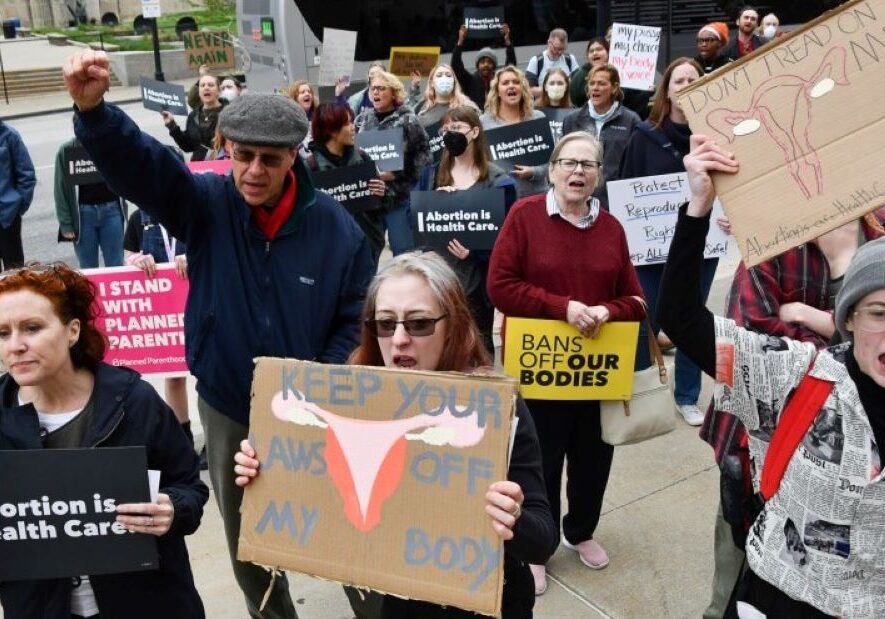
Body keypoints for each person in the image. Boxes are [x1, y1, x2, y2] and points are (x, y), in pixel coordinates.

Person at [65, 49, 374, 619]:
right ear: (228, 150)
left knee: (343, 523)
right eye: (242, 155)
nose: (253, 171)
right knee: (247, 535)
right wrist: (94, 112)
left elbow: (356, 311)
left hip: (315, 407)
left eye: (269, 159)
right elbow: (148, 167)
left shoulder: (338, 229)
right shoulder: (206, 204)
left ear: (294, 157)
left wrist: (318, 379)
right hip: (230, 404)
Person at [234, 251, 558, 618]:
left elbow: (543, 539)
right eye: (385, 324)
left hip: (491, 604)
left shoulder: (498, 409)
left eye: (419, 323)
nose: (399, 339)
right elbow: (320, 496)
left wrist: (514, 518)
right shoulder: (351, 400)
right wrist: (267, 473)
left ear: (453, 323)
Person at [659, 134, 885, 618]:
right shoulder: (802, 373)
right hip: (779, 587)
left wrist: (816, 306)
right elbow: (684, 320)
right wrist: (698, 206)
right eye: (879, 313)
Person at [700, 214, 883, 619]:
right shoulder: (773, 237)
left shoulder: (878, 228)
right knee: (740, 560)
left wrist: (806, 309)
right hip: (768, 447)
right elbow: (752, 343)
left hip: (859, 463)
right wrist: (837, 328)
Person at [487, 132, 646, 596]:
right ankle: (540, 546)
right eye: (569, 163)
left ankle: (581, 530)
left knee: (595, 456)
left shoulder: (612, 228)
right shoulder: (525, 216)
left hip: (597, 371)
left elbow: (634, 298)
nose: (578, 172)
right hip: (542, 368)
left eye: (589, 165)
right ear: (552, 168)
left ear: (600, 175)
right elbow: (500, 287)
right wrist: (564, 307)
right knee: (542, 461)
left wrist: (606, 312)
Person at [0, 263, 208, 617]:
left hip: (146, 604)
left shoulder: (133, 401)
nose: (16, 346)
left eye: (32, 328)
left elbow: (190, 486)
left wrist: (172, 509)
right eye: (3, 333)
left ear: (73, 330)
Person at [615, 57, 727, 426]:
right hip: (650, 250)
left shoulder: (717, 139)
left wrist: (731, 216)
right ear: (667, 90)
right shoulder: (642, 136)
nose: (685, 85)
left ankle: (687, 395)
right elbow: (626, 193)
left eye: (693, 78)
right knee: (646, 315)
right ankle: (642, 387)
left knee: (691, 315)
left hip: (702, 244)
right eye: (678, 80)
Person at [432, 105, 516, 353]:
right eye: (445, 130)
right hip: (442, 275)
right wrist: (436, 200)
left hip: (477, 279)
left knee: (479, 344)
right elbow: (415, 219)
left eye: (456, 128)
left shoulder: (499, 180)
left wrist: (475, 252)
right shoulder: (433, 175)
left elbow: (507, 234)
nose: (450, 134)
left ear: (475, 132)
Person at [122, 206, 196, 457]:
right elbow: (128, 254)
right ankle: (183, 439)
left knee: (208, 376)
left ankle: (214, 441)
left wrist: (194, 256)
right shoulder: (138, 220)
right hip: (165, 310)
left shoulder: (194, 213)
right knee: (175, 376)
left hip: (199, 301)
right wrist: (136, 261)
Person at [355, 69, 431, 256]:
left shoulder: (408, 119)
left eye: (381, 88)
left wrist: (398, 173)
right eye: (373, 89)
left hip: (399, 198)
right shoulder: (362, 120)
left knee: (403, 253)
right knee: (367, 254)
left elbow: (424, 157)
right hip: (370, 200)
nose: (375, 93)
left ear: (394, 92)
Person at [305, 102, 387, 267]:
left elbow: (380, 206)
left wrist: (382, 193)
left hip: (366, 245)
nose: (353, 128)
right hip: (329, 251)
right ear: (331, 129)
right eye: (347, 123)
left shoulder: (363, 159)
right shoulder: (310, 167)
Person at [562, 64, 640, 203]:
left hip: (617, 199)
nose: (595, 88)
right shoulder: (571, 120)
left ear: (614, 87)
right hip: (579, 197)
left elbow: (636, 165)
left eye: (601, 83)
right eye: (592, 83)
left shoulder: (631, 120)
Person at [54, 137, 126, 268]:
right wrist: (66, 224)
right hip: (82, 217)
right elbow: (60, 188)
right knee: (88, 268)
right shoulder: (66, 150)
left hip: (112, 211)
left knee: (116, 265)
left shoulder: (112, 144)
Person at [480, 66, 547, 198]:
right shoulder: (483, 122)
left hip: (537, 196)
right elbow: (478, 160)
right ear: (497, 91)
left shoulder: (538, 117)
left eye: (516, 82)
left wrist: (534, 172)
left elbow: (552, 160)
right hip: (500, 197)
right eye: (505, 83)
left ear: (522, 88)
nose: (511, 86)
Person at [451, 23, 516, 110]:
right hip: (476, 119)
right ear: (477, 66)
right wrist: (460, 42)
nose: (486, 65)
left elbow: (510, 67)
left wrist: (508, 42)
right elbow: (456, 66)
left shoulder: (499, 80)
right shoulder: (470, 80)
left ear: (494, 65)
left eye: (489, 62)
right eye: (482, 62)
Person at [0, 118, 35, 270]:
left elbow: (26, 174)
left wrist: (17, 208)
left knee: (14, 276)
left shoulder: (9, 135)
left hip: (7, 218)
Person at [162, 73, 223, 162]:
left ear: (218, 90)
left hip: (223, 165)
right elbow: (187, 146)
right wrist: (172, 125)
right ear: (199, 92)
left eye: (211, 85)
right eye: (202, 85)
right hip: (199, 167)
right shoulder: (193, 116)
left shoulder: (228, 112)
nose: (206, 88)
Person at [409, 63, 478, 128]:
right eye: (439, 75)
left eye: (448, 75)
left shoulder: (467, 107)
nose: (444, 78)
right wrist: (414, 88)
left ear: (454, 82)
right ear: (432, 83)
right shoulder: (423, 110)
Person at [525, 28, 579, 99]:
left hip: (566, 105)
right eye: (556, 48)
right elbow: (528, 89)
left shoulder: (570, 59)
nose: (559, 52)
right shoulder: (537, 61)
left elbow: (578, 84)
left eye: (563, 49)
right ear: (549, 43)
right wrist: (551, 89)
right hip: (543, 106)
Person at [569, 38, 609, 108]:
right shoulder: (578, 76)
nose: (595, 53)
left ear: (608, 52)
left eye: (599, 49)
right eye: (591, 51)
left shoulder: (620, 72)